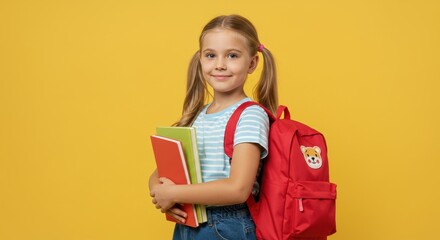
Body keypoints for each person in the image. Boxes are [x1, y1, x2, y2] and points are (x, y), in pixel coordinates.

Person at [149, 14, 278, 240]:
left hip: (227, 226)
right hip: (188, 224)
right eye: (211, 55)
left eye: (232, 55)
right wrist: (160, 193)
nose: (220, 64)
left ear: (252, 63)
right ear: (200, 59)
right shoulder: (198, 115)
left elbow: (238, 189)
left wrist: (174, 193)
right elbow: (162, 172)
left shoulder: (250, 115)